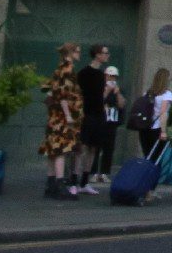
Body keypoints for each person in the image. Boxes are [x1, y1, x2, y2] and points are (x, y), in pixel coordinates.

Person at [40, 42, 84, 201]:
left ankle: (51, 184)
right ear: (70, 53)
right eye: (77, 51)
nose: (79, 54)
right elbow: (64, 95)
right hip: (62, 117)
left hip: (54, 115)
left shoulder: (58, 70)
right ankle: (59, 185)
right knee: (61, 148)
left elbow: (49, 89)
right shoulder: (68, 70)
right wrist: (69, 116)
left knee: (53, 148)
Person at [75, 44, 111, 195]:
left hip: (98, 114)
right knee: (82, 147)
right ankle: (73, 180)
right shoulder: (84, 73)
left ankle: (84, 181)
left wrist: (106, 95)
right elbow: (79, 94)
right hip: (87, 113)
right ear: (97, 54)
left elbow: (99, 96)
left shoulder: (102, 74)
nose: (107, 55)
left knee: (93, 148)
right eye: (105, 53)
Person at [137, 67, 172, 202]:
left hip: (145, 129)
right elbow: (163, 113)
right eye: (169, 77)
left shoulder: (148, 92)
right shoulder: (167, 94)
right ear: (165, 79)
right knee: (157, 161)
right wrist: (163, 131)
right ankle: (150, 190)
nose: (171, 79)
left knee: (148, 158)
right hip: (157, 129)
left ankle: (144, 188)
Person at [93, 65, 127, 182]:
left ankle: (104, 173)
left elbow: (122, 104)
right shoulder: (100, 87)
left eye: (114, 77)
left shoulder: (118, 89)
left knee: (109, 148)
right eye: (110, 76)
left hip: (112, 122)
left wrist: (117, 93)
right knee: (96, 148)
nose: (112, 79)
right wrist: (107, 91)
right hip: (100, 121)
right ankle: (93, 172)